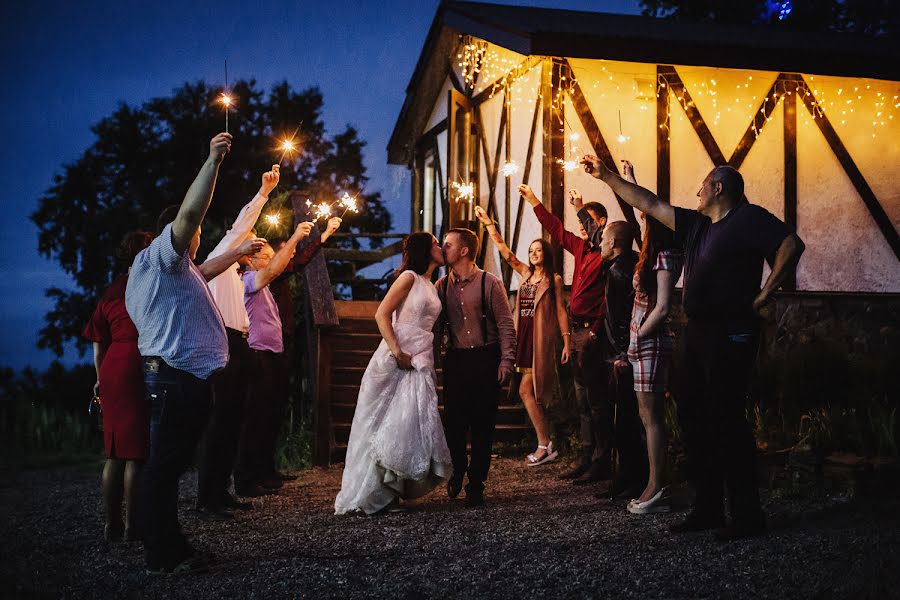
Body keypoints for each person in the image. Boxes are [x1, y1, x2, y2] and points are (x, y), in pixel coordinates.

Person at [580, 154, 805, 540]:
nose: (697, 192)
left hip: (731, 332)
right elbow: (648, 203)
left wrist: (766, 293)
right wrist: (607, 178)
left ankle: (748, 515)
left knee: (726, 419)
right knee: (692, 417)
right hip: (696, 332)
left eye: (702, 186)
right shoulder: (698, 224)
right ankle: (708, 509)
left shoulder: (748, 219)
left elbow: (791, 244)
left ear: (719, 188)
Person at [125, 132, 233, 574]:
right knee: (163, 469)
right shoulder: (161, 257)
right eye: (196, 235)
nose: (198, 240)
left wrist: (239, 250)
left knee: (167, 468)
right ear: (177, 234)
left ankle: (170, 546)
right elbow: (190, 211)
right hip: (173, 379)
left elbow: (205, 269)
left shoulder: (174, 270)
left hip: (179, 379)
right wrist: (214, 160)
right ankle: (161, 555)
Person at [335, 232, 452, 514]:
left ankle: (395, 487)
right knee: (383, 420)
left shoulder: (432, 285)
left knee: (407, 422)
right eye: (437, 243)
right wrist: (397, 351)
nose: (441, 247)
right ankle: (374, 494)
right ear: (425, 249)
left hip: (420, 356)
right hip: (397, 354)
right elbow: (381, 313)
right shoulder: (409, 277)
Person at [236, 216, 342, 495]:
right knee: (257, 416)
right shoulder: (249, 279)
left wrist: (325, 233)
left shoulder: (270, 282)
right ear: (252, 260)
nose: (276, 261)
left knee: (272, 413)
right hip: (259, 353)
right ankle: (248, 476)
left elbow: (298, 259)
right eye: (269, 257)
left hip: (276, 350)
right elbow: (279, 266)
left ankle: (265, 469)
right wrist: (295, 238)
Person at [196, 166, 279, 516]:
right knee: (222, 422)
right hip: (225, 343)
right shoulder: (219, 259)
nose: (253, 243)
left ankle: (221, 489)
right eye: (250, 241)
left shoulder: (233, 270)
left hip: (239, 344)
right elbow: (240, 226)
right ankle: (208, 496)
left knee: (234, 421)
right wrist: (264, 193)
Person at [518, 184, 612, 485]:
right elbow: (556, 231)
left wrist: (596, 332)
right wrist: (534, 201)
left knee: (597, 402)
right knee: (582, 401)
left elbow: (610, 299)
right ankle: (586, 459)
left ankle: (602, 461)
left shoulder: (606, 255)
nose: (582, 227)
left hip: (594, 335)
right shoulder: (581, 248)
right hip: (577, 331)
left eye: (588, 221)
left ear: (600, 225)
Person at [473, 205, 570, 466]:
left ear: (546, 254)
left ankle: (545, 444)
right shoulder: (526, 273)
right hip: (522, 334)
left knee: (531, 390)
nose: (534, 253)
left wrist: (567, 341)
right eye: (531, 251)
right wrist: (489, 225)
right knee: (528, 390)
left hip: (540, 339)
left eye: (538, 250)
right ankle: (546, 442)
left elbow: (561, 311)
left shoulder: (554, 279)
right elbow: (506, 254)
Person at [617, 161, 684, 515]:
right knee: (646, 417)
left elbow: (661, 307)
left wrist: (635, 340)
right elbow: (643, 205)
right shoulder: (653, 246)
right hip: (643, 342)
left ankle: (658, 486)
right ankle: (656, 483)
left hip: (651, 342)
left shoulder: (667, 255)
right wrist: (630, 178)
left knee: (652, 417)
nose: (643, 220)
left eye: (647, 218)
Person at [82, 231, 153, 543]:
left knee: (113, 451)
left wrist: (99, 379)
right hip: (137, 362)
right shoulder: (149, 284)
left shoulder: (109, 292)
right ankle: (132, 527)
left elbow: (97, 347)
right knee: (136, 453)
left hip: (111, 367)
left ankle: (111, 524)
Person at [437, 228, 516, 507]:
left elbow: (506, 324)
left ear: (464, 251)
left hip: (486, 357)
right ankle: (458, 469)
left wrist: (507, 360)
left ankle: (477, 482)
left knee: (483, 425)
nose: (442, 248)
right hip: (456, 360)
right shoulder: (441, 285)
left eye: (448, 244)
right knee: (454, 423)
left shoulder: (489, 282)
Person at [594, 220, 645, 500]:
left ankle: (631, 478)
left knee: (625, 421)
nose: (600, 243)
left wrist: (620, 355)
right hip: (629, 352)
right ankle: (629, 477)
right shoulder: (632, 263)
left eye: (603, 239)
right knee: (628, 420)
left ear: (614, 244)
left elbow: (620, 318)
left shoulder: (617, 271)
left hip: (624, 356)